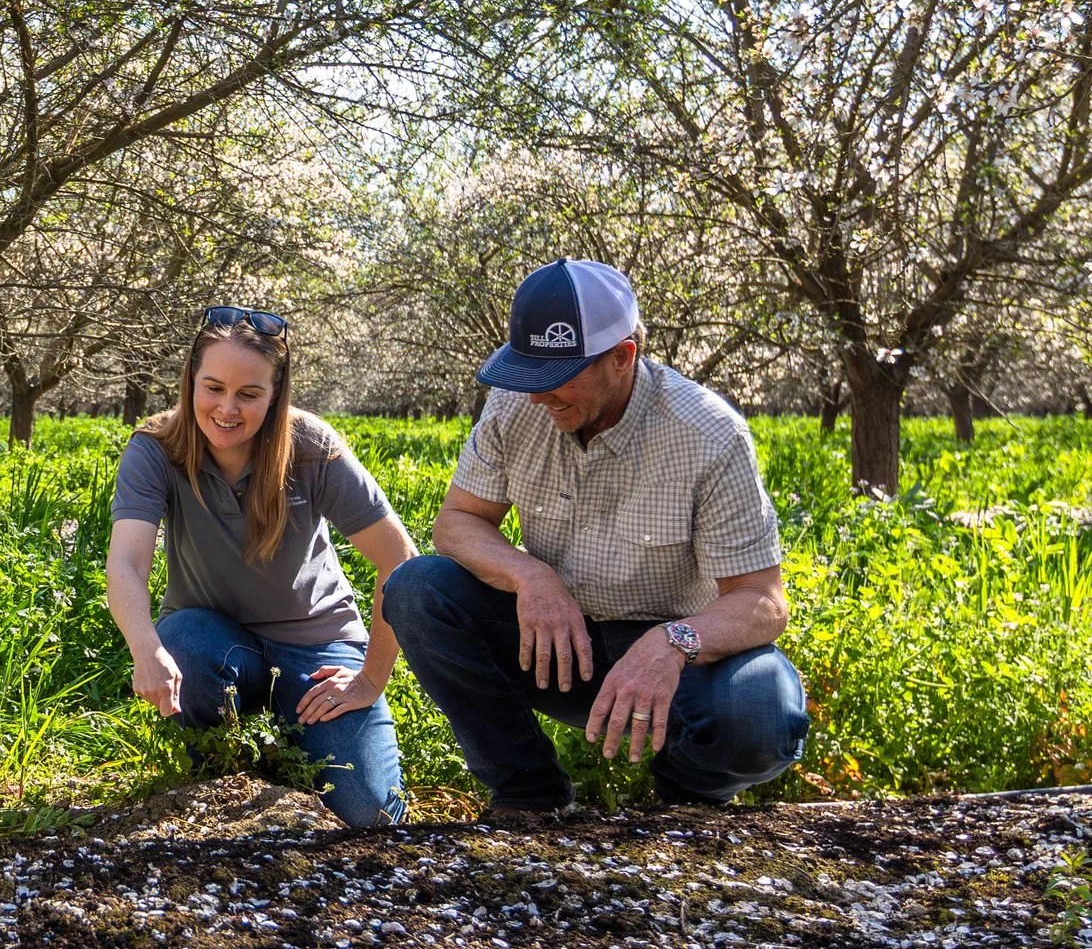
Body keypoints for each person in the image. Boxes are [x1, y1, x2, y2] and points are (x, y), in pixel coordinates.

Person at [382, 259, 807, 819]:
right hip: (556, 643)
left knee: (760, 712)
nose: (537, 397)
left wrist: (672, 642)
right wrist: (530, 575)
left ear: (622, 356)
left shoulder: (708, 434)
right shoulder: (515, 404)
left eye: (557, 377)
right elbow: (458, 521)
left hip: (679, 660)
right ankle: (527, 796)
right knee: (417, 590)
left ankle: (684, 806)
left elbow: (763, 601)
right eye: (527, 373)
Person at [104, 306, 418, 828]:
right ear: (190, 381)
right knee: (183, 645)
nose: (227, 408)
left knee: (371, 815)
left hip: (317, 649)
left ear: (275, 395)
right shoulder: (157, 448)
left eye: (249, 394)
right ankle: (222, 771)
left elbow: (400, 561)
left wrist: (370, 679)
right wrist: (145, 647)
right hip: (211, 640)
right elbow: (127, 563)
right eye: (213, 388)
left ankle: (293, 745)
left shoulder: (311, 448)